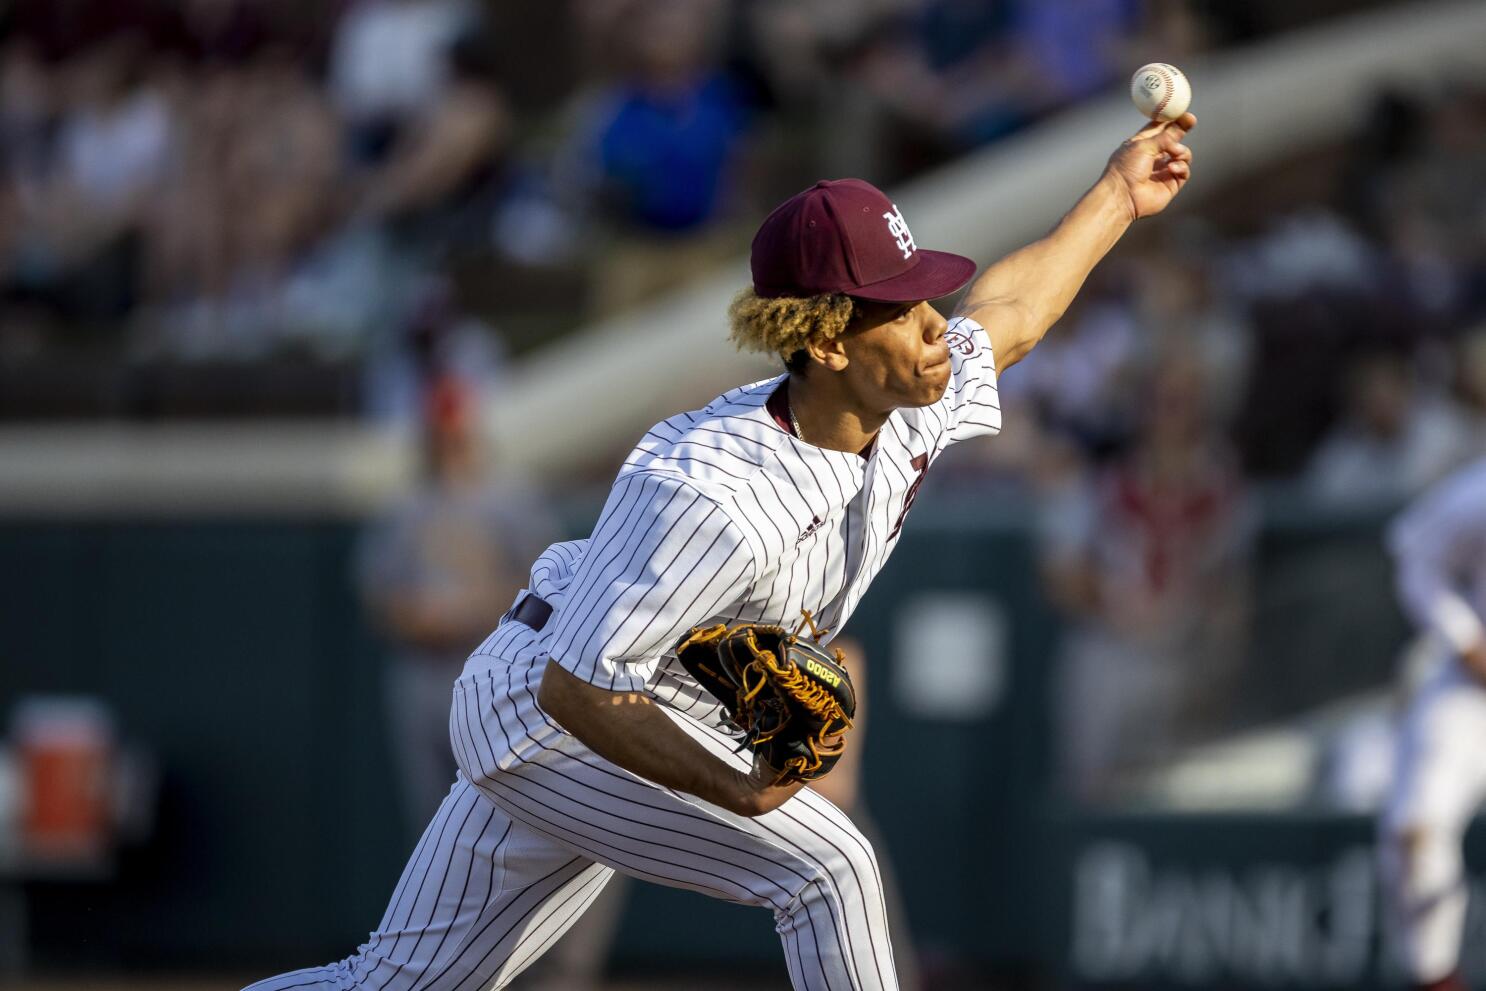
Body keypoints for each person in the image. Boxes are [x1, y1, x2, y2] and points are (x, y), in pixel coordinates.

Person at [244, 111, 1195, 991]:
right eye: (901, 307)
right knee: (831, 866)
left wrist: (1117, 190)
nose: (935, 324)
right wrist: (736, 788)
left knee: (394, 985)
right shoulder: (711, 492)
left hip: (622, 691)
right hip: (553, 711)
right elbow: (579, 688)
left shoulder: (898, 403)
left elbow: (1014, 314)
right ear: (825, 341)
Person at [1379, 456, 1486, 991]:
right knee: (1413, 832)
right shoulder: (1481, 493)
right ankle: (1437, 981)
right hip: (1474, 695)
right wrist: (1465, 637)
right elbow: (1414, 551)